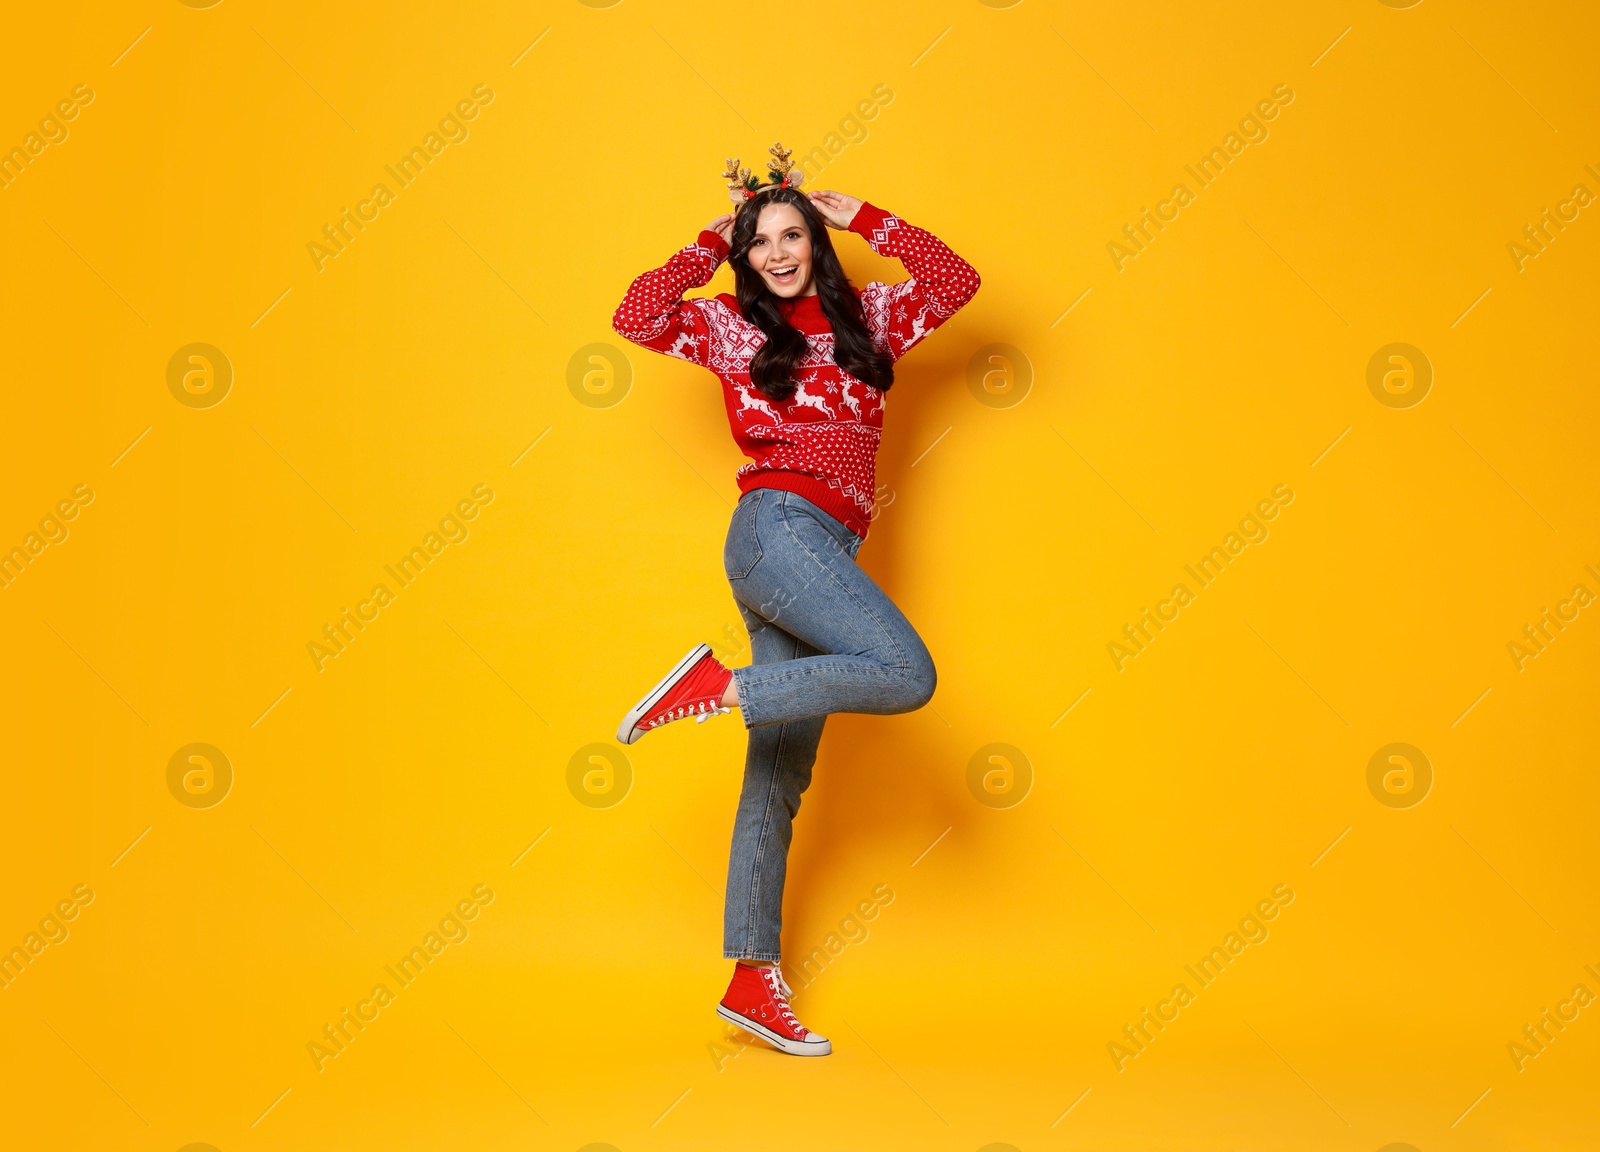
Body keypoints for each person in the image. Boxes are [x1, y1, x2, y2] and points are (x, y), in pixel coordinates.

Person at [609, 143, 980, 1056]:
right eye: (759, 244)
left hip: (823, 550)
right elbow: (635, 313)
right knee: (904, 671)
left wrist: (863, 213)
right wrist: (711, 236)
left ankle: (749, 977)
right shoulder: (736, 335)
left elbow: (958, 278)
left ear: (815, 240)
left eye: (791, 235)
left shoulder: (877, 320)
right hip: (776, 534)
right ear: (745, 258)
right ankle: (715, 687)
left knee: (777, 774)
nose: (776, 254)